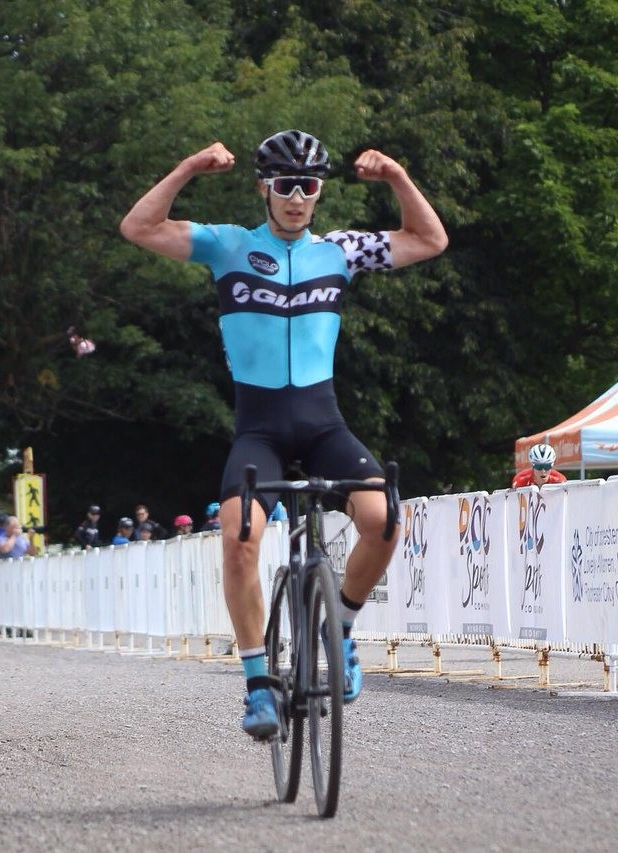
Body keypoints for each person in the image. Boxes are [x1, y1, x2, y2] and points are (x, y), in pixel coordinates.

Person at [121, 128, 448, 738]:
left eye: (309, 186)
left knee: (385, 520)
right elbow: (138, 228)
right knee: (239, 536)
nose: (297, 197)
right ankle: (256, 686)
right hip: (261, 429)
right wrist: (191, 164)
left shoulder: (341, 250)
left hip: (324, 424)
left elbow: (430, 239)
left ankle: (340, 632)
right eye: (285, 185)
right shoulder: (228, 246)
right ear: (264, 189)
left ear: (320, 191)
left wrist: (398, 176)